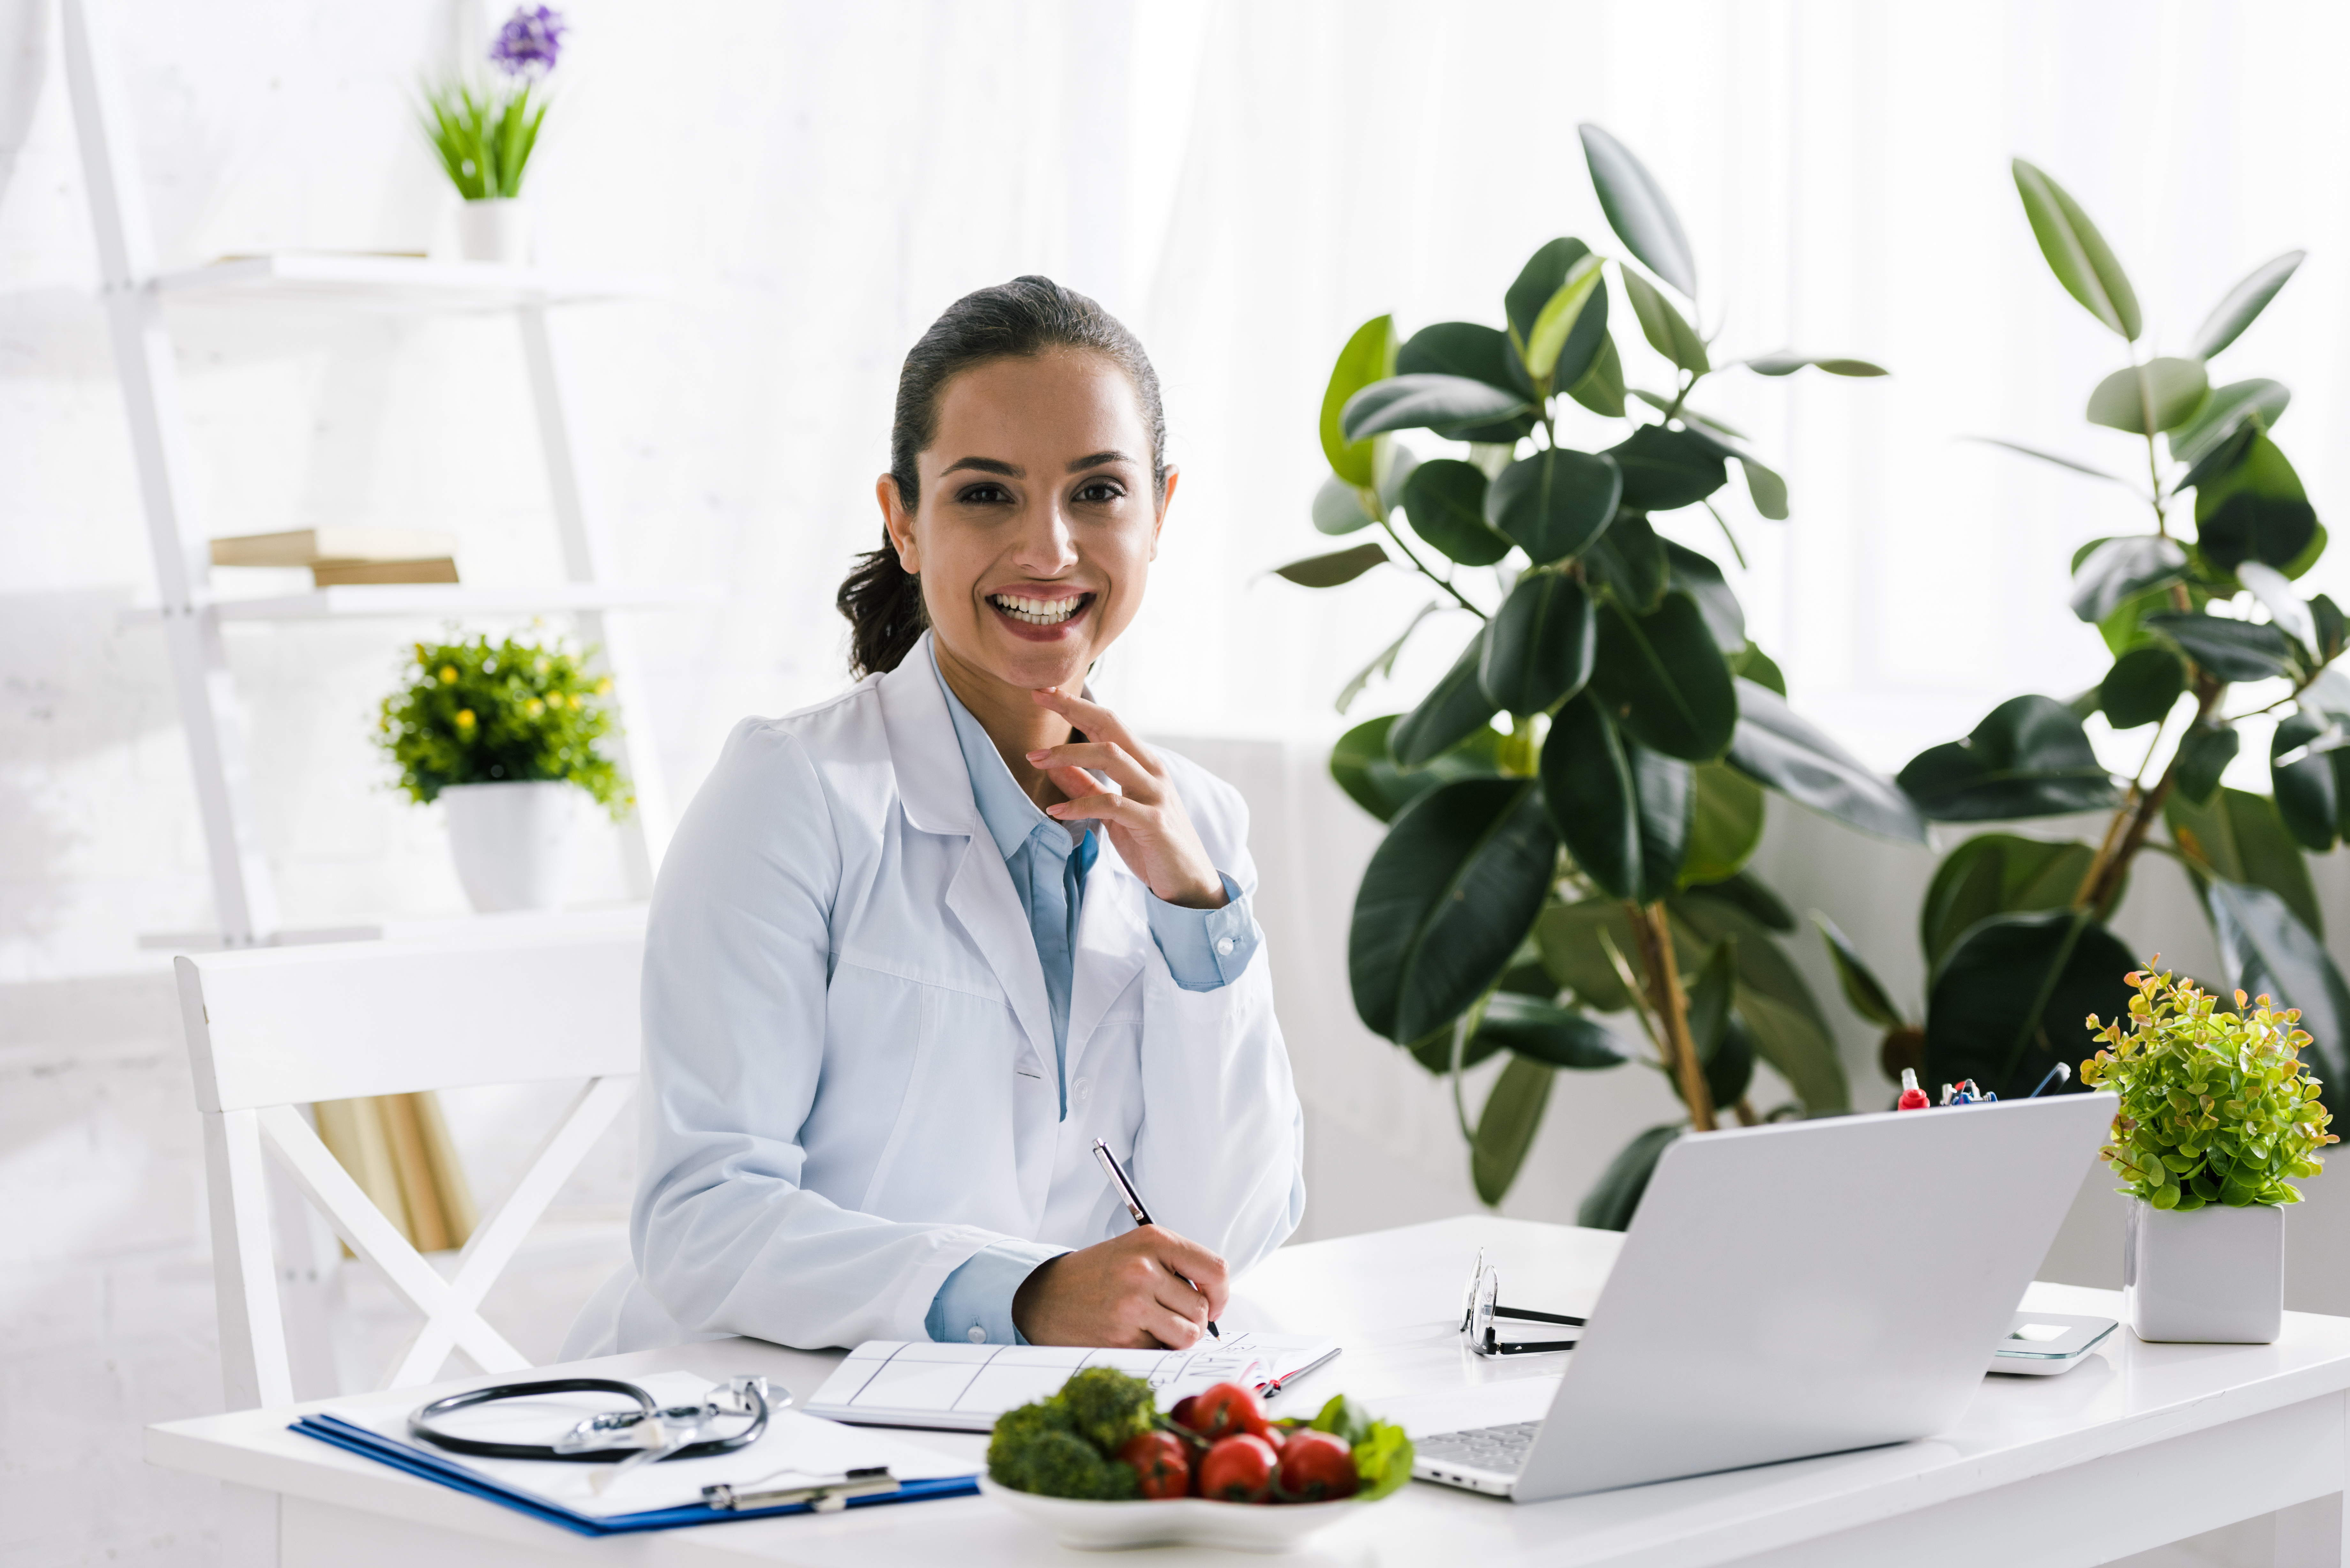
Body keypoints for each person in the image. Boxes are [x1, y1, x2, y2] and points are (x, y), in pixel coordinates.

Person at [564, 277, 1304, 1357]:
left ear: (1160, 514)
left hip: (1020, 1444)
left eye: (1098, 492)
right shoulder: (792, 794)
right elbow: (702, 1222)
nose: (1050, 550)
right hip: (752, 1428)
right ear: (904, 521)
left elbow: (1222, 1241)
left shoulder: (1201, 832)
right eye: (987, 495)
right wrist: (1023, 1295)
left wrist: (1196, 909)